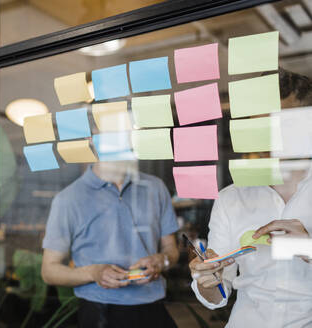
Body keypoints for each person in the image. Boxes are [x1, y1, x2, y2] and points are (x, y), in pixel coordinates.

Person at [189, 69, 312, 328]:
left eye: (285, 123)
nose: (273, 135)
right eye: (263, 124)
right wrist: (209, 279)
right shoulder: (231, 198)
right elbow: (218, 295)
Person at [41, 161, 179, 328]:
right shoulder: (68, 198)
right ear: (91, 139)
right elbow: (49, 271)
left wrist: (161, 260)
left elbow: (171, 249)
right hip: (99, 311)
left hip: (153, 306)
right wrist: (93, 272)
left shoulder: (155, 187)